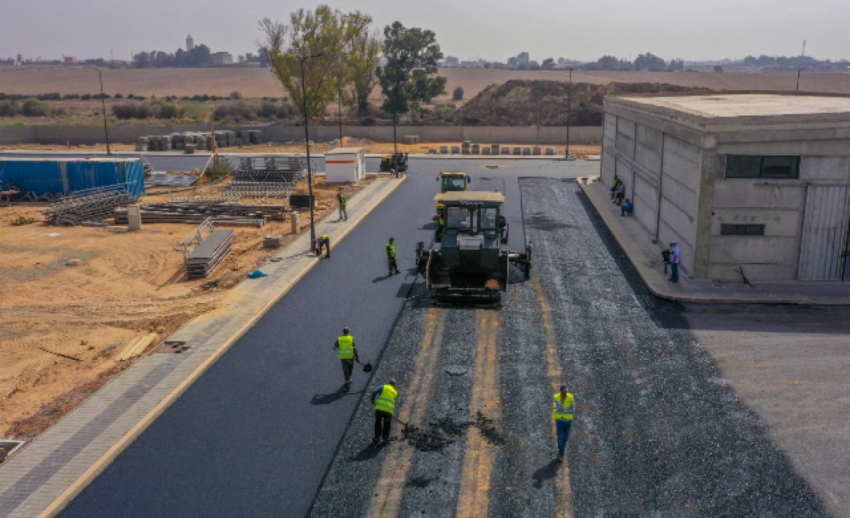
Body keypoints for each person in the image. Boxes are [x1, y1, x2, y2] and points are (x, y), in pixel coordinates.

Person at [371, 378, 398, 443]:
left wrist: (372, 400)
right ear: (394, 385)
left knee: (378, 423)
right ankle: (385, 438)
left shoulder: (383, 387)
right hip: (388, 411)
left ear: (388, 383)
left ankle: (377, 437)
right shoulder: (395, 392)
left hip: (379, 409)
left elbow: (374, 392)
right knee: (387, 424)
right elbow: (393, 401)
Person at [553, 383, 575, 462]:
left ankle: (562, 445)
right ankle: (561, 454)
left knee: (566, 437)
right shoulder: (556, 397)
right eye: (564, 391)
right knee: (560, 437)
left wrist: (564, 411)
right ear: (561, 391)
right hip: (560, 421)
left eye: (567, 391)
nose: (566, 392)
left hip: (568, 421)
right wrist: (561, 406)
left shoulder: (570, 397)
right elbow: (556, 409)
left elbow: (573, 410)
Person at [334, 327, 359, 392]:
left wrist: (340, 349)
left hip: (343, 359)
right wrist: (357, 357)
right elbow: (354, 348)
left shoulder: (339, 339)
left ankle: (348, 381)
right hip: (350, 358)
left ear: (343, 332)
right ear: (349, 332)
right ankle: (348, 384)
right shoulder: (351, 338)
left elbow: (334, 348)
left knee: (346, 371)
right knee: (350, 370)